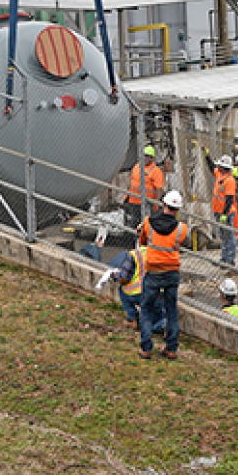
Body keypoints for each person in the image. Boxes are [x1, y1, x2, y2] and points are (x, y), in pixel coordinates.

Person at [136, 189, 189, 359]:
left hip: (153, 272)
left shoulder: (148, 223)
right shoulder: (182, 228)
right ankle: (171, 348)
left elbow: (143, 241)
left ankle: (146, 348)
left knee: (146, 309)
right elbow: (179, 244)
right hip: (172, 272)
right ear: (178, 209)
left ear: (163, 204)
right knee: (171, 310)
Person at [95, 246, 165, 334]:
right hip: (159, 293)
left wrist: (113, 275)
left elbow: (124, 278)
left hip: (139, 293)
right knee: (157, 316)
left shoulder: (135, 254)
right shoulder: (163, 254)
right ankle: (163, 324)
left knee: (122, 289)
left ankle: (132, 319)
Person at [124, 145, 165, 228]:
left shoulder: (156, 171)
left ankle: (145, 239)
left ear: (152, 158)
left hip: (146, 203)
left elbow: (159, 189)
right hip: (133, 201)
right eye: (145, 156)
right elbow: (131, 182)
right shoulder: (136, 167)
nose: (146, 158)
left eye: (149, 157)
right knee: (135, 223)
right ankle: (136, 239)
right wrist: (127, 196)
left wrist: (156, 203)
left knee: (146, 224)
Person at [211, 154, 238, 266]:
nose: (217, 167)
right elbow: (211, 168)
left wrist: (224, 214)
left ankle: (230, 260)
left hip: (226, 213)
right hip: (218, 211)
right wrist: (206, 156)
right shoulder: (219, 175)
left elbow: (229, 199)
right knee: (223, 236)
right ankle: (224, 258)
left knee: (229, 236)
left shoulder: (230, 180)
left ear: (224, 167)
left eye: (219, 165)